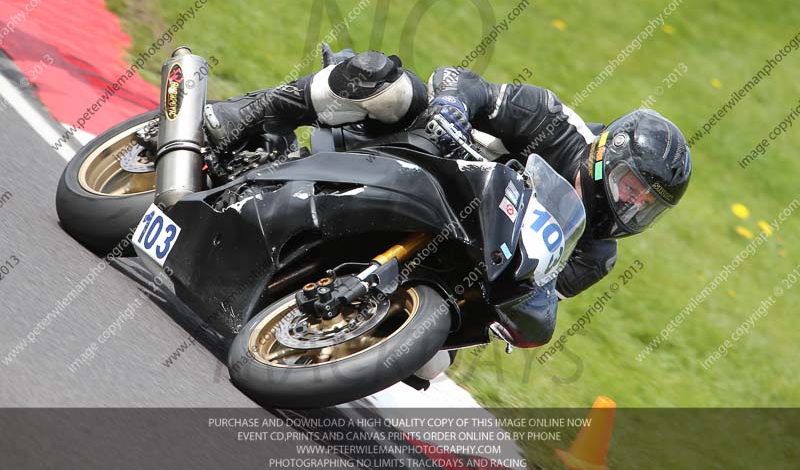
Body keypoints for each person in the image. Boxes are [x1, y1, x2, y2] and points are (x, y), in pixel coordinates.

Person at [203, 49, 692, 384]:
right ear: (609, 156)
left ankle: (318, 325)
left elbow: (537, 291)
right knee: (388, 83)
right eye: (632, 187)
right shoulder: (556, 123)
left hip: (448, 265)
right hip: (418, 159)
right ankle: (248, 114)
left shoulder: (597, 253)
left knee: (430, 365)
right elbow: (461, 80)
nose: (631, 204)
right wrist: (454, 106)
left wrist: (514, 314)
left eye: (646, 203)